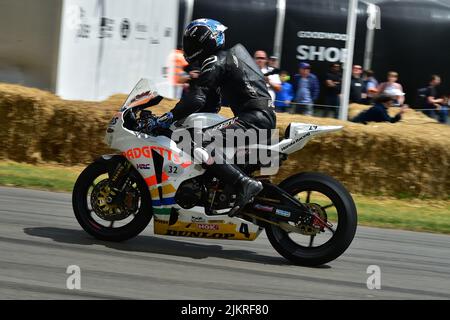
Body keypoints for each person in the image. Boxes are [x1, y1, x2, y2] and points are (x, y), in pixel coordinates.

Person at [153, 18, 276, 216]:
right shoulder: (224, 60)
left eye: (192, 42)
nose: (189, 47)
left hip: (254, 118)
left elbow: (196, 98)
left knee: (196, 141)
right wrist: (184, 117)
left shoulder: (215, 59)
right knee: (202, 136)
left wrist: (167, 118)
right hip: (258, 117)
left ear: (206, 41)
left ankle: (244, 183)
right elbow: (212, 104)